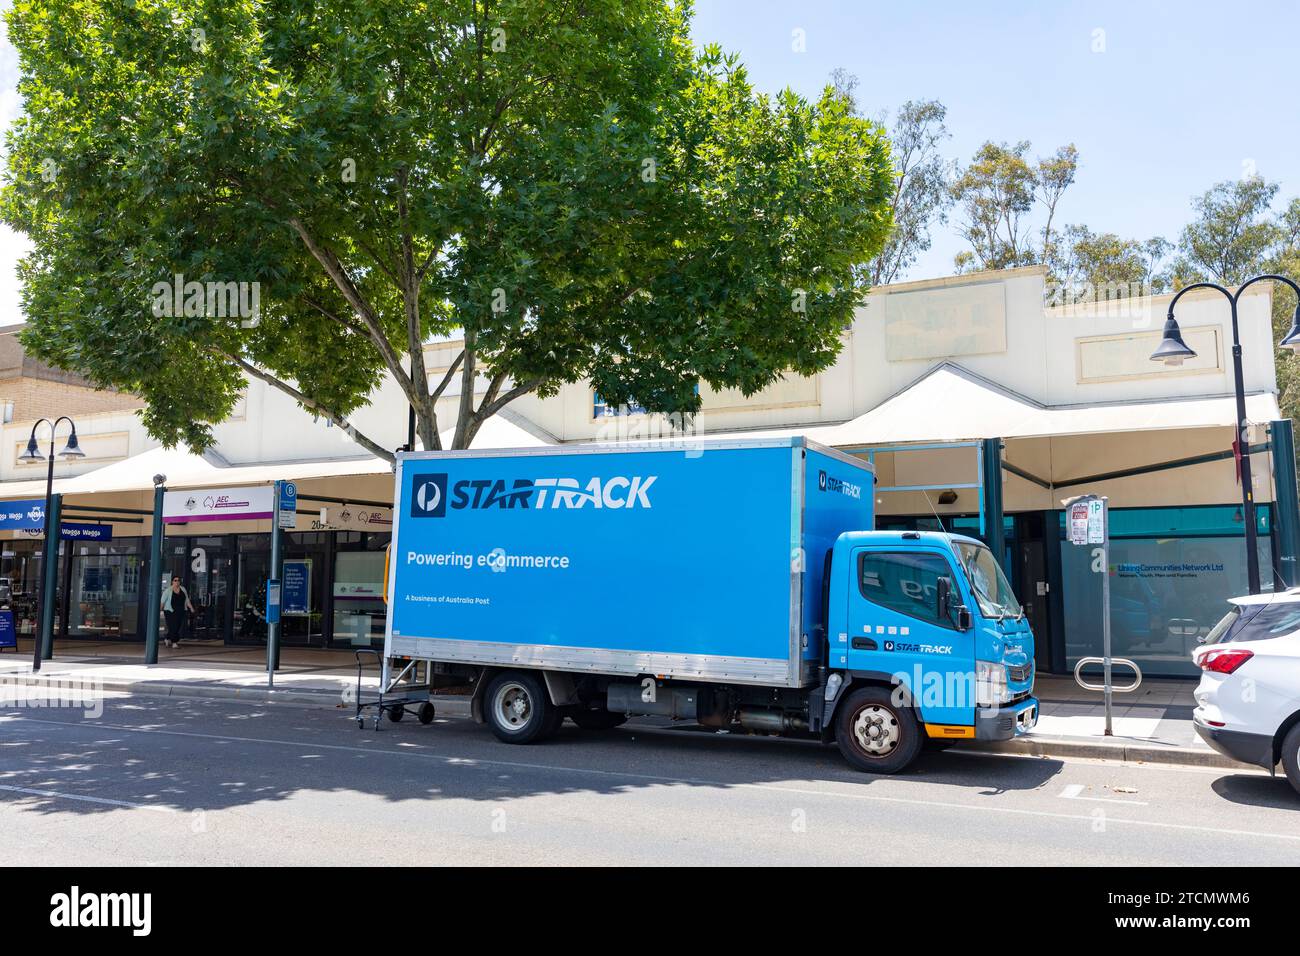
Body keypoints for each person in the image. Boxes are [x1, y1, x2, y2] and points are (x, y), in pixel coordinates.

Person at [161, 575, 194, 648]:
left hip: (180, 611)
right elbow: (162, 601)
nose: (177, 582)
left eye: (178, 580)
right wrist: (160, 610)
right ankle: (174, 643)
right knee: (173, 626)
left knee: (177, 626)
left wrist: (191, 608)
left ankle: (167, 638)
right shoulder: (168, 590)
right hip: (170, 611)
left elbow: (187, 600)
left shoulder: (183, 589)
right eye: (175, 580)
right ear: (172, 582)